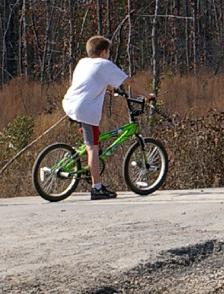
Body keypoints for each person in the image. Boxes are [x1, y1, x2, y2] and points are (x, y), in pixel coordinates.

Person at [61, 36, 154, 200]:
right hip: (85, 109)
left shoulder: (83, 62)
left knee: (92, 141)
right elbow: (130, 81)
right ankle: (97, 188)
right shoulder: (104, 64)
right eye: (108, 52)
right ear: (104, 52)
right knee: (93, 149)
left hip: (69, 104)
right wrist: (148, 95)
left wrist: (108, 88)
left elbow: (88, 82)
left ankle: (85, 161)